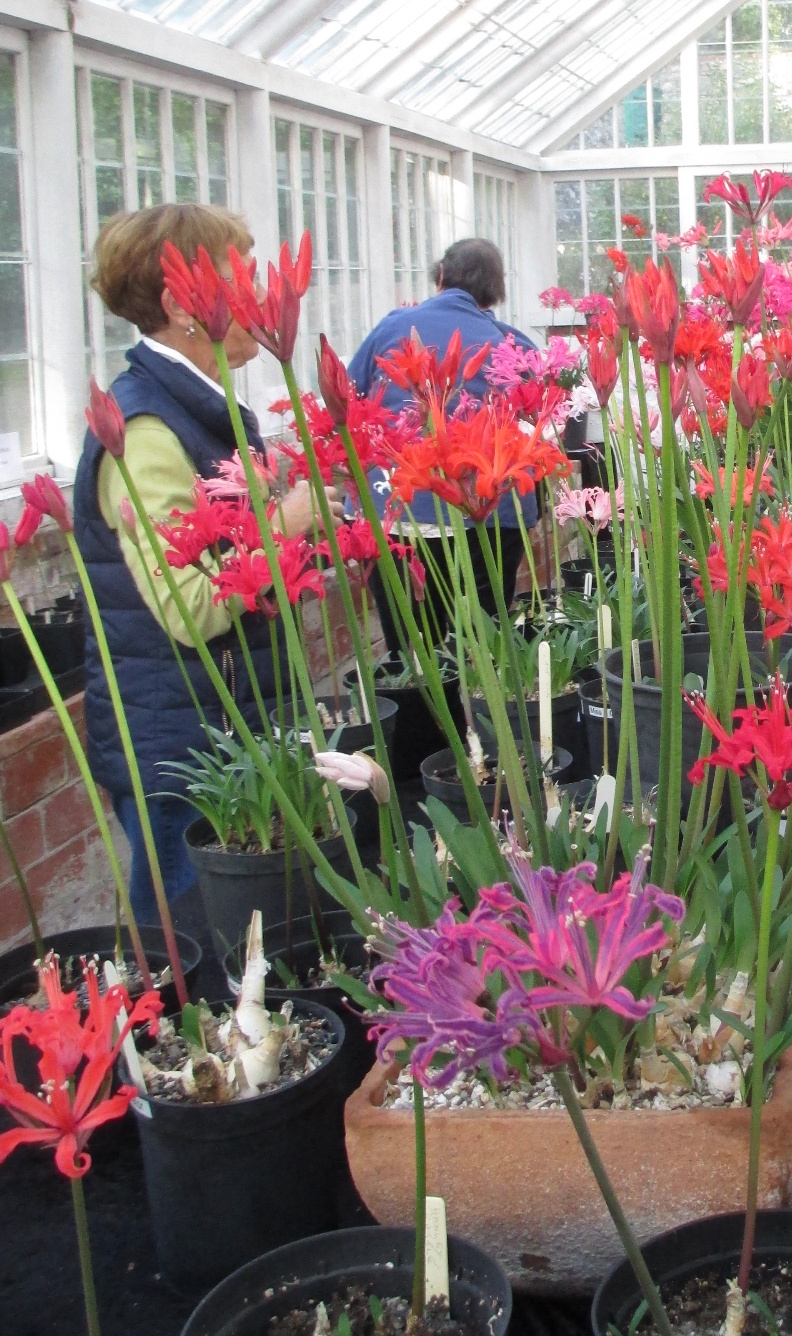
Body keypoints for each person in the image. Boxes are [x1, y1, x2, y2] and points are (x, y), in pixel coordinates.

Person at [74, 204, 318, 928]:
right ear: (184, 303)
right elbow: (188, 606)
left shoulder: (200, 408)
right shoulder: (146, 428)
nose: (259, 294)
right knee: (198, 952)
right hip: (181, 751)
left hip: (217, 724)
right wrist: (290, 524)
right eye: (240, 276)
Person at [349, 237, 539, 628]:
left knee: (412, 645)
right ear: (495, 291)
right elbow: (539, 425)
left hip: (398, 508)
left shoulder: (393, 326)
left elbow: (349, 399)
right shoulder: (513, 344)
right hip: (490, 514)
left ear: (439, 275)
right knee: (486, 644)